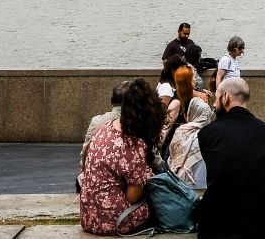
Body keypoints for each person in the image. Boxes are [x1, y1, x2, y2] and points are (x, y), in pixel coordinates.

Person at [195, 75, 265, 239]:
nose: (214, 105)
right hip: (259, 225)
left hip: (216, 225)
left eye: (215, 99)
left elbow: (217, 176)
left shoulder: (206, 133)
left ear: (225, 97)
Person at [80, 79, 163, 234]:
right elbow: (132, 197)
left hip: (88, 216)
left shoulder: (105, 127)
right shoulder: (134, 143)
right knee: (160, 206)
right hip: (113, 221)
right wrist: (145, 177)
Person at [159, 63, 214, 186]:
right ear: (187, 81)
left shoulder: (190, 97)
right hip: (176, 144)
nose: (196, 79)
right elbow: (165, 128)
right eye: (193, 77)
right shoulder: (177, 102)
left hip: (189, 142)